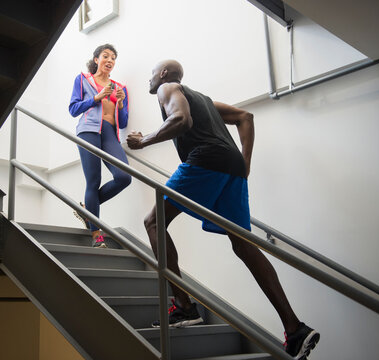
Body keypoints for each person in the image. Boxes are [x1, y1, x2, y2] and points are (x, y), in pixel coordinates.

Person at [127, 60, 319, 359]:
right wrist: (245, 163)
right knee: (243, 244)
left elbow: (180, 120)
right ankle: (294, 328)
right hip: (232, 168)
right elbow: (245, 116)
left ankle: (184, 306)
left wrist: (144, 141)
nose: (150, 80)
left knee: (153, 222)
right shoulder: (203, 99)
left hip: (205, 160)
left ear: (163, 74)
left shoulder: (167, 88)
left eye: (151, 74)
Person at [69, 44, 131, 248]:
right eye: (106, 56)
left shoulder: (119, 88)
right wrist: (96, 97)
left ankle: (87, 209)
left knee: (124, 177)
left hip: (109, 133)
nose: (110, 60)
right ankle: (96, 234)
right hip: (88, 130)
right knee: (93, 181)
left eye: (113, 58)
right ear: (96, 59)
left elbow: (123, 120)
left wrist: (120, 104)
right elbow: (73, 108)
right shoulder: (83, 80)